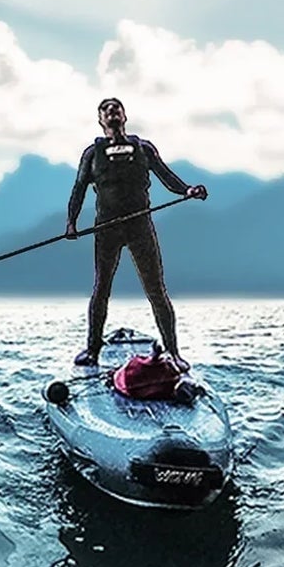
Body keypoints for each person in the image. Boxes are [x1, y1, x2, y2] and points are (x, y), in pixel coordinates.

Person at [64, 97, 207, 366]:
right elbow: (79, 189)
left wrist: (188, 190)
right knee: (101, 288)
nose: (112, 111)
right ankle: (93, 350)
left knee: (156, 290)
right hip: (106, 228)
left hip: (140, 227)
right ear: (100, 120)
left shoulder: (144, 149)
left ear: (124, 116)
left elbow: (167, 176)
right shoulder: (92, 155)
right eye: (106, 110)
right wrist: (71, 223)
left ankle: (173, 353)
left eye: (116, 108)